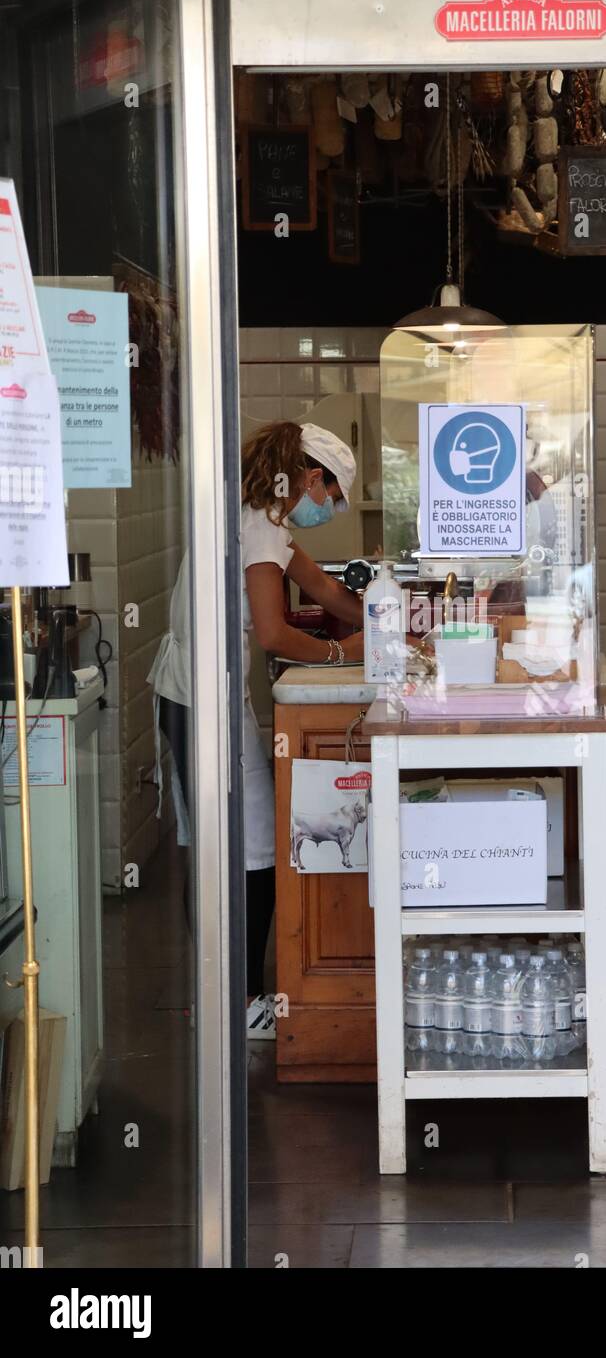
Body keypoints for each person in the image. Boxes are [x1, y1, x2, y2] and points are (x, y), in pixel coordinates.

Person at [148, 421, 364, 1039]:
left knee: (220, 848)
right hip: (202, 704)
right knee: (254, 851)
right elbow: (272, 633)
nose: (328, 507)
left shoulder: (255, 515)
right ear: (308, 475)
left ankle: (223, 995)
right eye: (330, 495)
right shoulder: (260, 525)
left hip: (195, 698)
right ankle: (239, 1005)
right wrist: (341, 655)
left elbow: (322, 589)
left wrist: (383, 617)